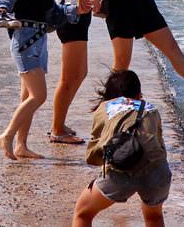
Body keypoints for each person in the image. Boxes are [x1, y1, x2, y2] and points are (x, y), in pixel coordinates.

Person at [0, 0, 91, 160]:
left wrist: (76, 10)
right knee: (39, 95)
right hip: (24, 44)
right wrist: (0, 12)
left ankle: (21, 145)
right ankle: (7, 136)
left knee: (27, 97)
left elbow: (53, 12)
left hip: (39, 44)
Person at [72, 70, 170, 226]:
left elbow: (93, 154)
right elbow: (158, 147)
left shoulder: (105, 107)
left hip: (121, 172)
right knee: (153, 216)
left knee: (83, 213)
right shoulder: (151, 109)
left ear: (109, 94)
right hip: (157, 172)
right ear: (139, 94)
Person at [48, 0, 104, 145]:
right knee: (68, 78)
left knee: (80, 73)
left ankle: (59, 124)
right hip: (70, 21)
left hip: (80, 22)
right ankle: (57, 129)